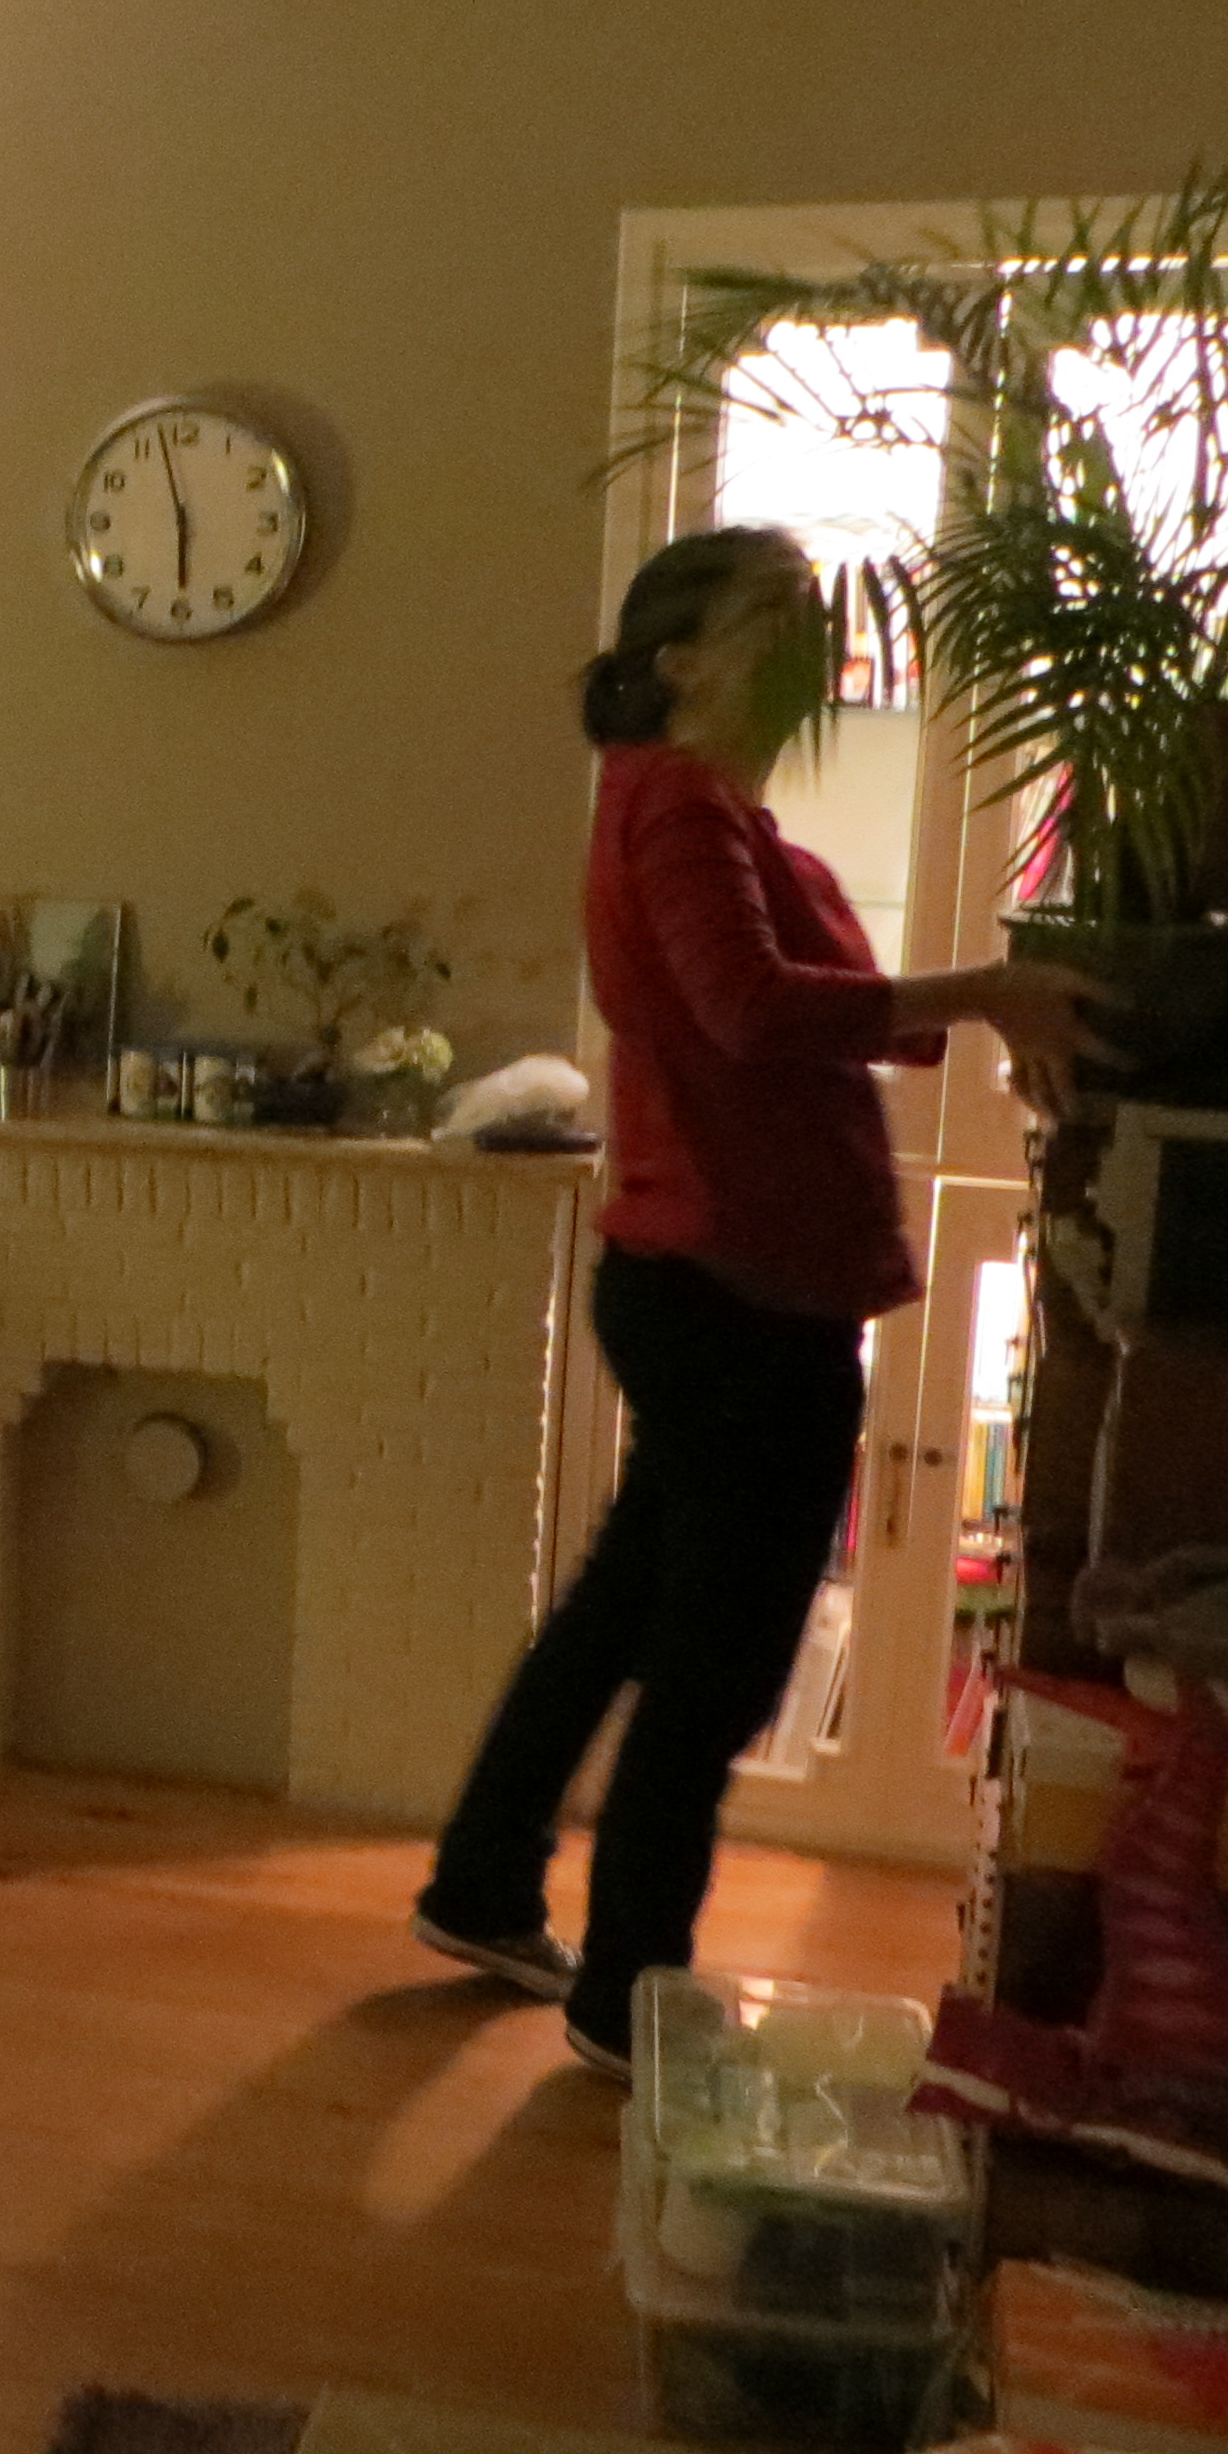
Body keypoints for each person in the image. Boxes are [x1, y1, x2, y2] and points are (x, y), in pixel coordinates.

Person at [410, 525, 1108, 2078]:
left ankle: (480, 1887)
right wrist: (991, 991)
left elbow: (808, 1008)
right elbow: (748, 1009)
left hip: (707, 1285)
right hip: (738, 1303)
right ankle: (629, 2000)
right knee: (713, 1672)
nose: (816, 628)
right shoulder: (676, 805)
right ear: (679, 661)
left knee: (620, 1620)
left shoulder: (703, 810)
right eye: (776, 612)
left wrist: (967, 1008)